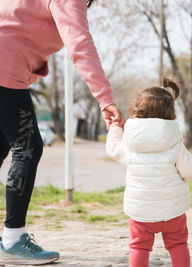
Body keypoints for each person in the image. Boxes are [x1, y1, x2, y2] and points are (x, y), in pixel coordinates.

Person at [0, 0, 124, 264]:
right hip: (4, 68)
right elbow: (80, 44)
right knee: (28, 146)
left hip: (7, 68)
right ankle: (12, 239)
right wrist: (105, 98)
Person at [106, 78, 192, 267]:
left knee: (139, 248)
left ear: (137, 110)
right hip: (172, 211)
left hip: (141, 211)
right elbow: (188, 170)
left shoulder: (130, 139)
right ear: (170, 113)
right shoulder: (174, 139)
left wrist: (115, 128)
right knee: (178, 244)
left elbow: (113, 149)